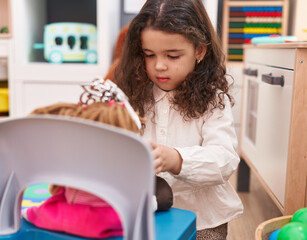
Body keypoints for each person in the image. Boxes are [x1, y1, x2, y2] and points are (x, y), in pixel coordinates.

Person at [114, 0, 244, 239]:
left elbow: (224, 160)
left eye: (172, 56)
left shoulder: (214, 100)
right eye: (149, 55)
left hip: (202, 220)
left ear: (199, 51)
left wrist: (177, 159)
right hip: (146, 214)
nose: (159, 66)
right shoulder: (134, 94)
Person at [22, 78, 173, 239]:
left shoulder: (72, 158)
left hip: (66, 211)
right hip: (106, 217)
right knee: (160, 192)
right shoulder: (119, 163)